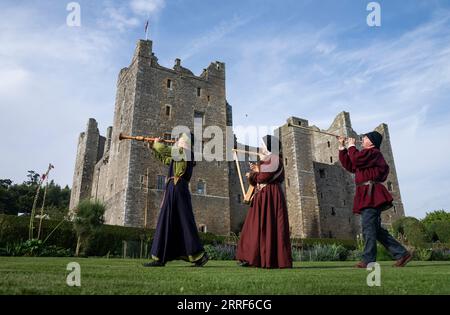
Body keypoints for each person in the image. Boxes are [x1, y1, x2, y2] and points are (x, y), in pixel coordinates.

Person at [338, 131, 411, 268]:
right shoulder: (366, 156)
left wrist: (352, 146)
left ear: (371, 142)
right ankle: (402, 254)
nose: (362, 139)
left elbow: (356, 159)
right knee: (376, 230)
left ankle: (368, 260)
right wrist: (342, 147)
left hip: (371, 195)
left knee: (368, 228)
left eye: (364, 137)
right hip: (365, 194)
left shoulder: (373, 154)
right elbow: (350, 165)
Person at [143, 133, 209, 267]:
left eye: (179, 139)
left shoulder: (184, 152)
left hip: (177, 188)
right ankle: (164, 256)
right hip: (174, 189)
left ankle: (195, 255)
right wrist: (152, 147)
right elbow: (165, 159)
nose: (177, 141)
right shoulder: (179, 155)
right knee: (176, 221)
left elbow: (166, 150)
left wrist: (157, 143)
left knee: (177, 220)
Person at [236, 135, 292, 269]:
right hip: (262, 197)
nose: (260, 148)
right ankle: (251, 258)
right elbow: (256, 180)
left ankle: (270, 260)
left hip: (271, 197)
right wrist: (254, 173)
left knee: (269, 227)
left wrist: (255, 172)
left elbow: (263, 177)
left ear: (269, 147)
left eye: (263, 146)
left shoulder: (275, 160)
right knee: (253, 226)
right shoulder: (264, 162)